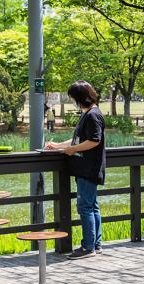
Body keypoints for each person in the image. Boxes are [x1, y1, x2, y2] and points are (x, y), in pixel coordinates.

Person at [45, 81, 105, 259]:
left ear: (80, 98)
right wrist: (57, 146)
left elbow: (94, 141)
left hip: (88, 168)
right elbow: (78, 141)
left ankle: (88, 247)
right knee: (92, 206)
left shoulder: (93, 115)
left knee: (85, 207)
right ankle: (96, 244)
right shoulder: (89, 114)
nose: (72, 101)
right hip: (87, 168)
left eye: (73, 98)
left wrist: (72, 150)